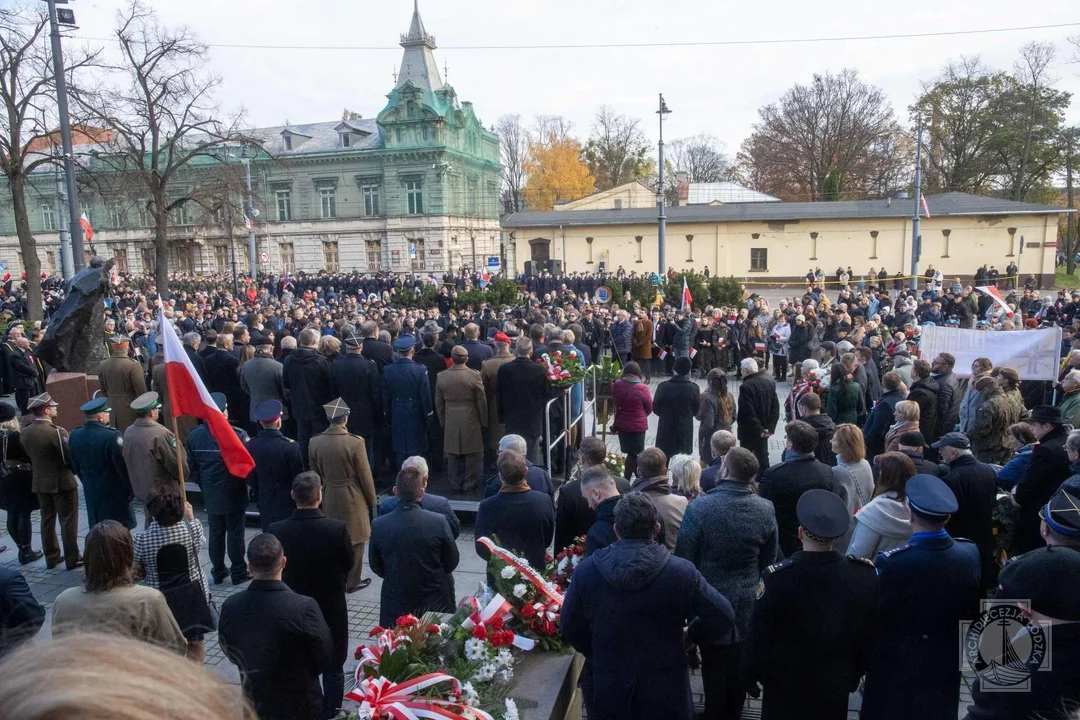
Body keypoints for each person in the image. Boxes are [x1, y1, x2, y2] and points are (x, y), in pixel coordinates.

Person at [561, 492, 736, 720]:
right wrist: (690, 636)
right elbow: (723, 615)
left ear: (617, 530)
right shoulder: (681, 571)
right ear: (656, 528)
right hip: (665, 688)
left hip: (611, 684)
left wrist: (598, 650)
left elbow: (570, 626)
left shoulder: (587, 571)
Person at [742, 490, 878, 720]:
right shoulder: (863, 574)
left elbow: (759, 634)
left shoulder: (777, 578)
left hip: (784, 687)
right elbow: (867, 635)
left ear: (800, 533)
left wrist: (748, 674)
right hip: (834, 684)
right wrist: (854, 674)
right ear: (836, 536)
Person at [861, 474, 982, 720]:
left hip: (896, 658)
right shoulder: (969, 552)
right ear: (947, 518)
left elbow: (875, 612)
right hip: (944, 658)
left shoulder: (894, 562)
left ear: (911, 515)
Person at [675, 447, 776, 719]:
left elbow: (685, 558)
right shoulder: (765, 508)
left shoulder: (700, 507)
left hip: (709, 602)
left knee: (714, 667)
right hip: (746, 604)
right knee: (737, 664)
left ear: (725, 471)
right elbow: (768, 560)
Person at [218, 533, 333, 720]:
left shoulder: (231, 606)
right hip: (301, 704)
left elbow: (229, 649)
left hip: (256, 701)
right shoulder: (304, 607)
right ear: (284, 562)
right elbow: (325, 656)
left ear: (249, 568)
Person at [268, 472, 354, 718]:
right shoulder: (336, 529)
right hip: (331, 607)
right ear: (320, 495)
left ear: (293, 495)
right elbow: (348, 563)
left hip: (292, 607)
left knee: (299, 664)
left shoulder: (277, 529)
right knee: (334, 665)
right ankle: (333, 712)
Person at [52, 520, 187, 654]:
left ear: (88, 558)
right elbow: (175, 649)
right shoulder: (148, 600)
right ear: (127, 556)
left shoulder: (64, 601)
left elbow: (60, 651)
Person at [369, 465, 459, 627]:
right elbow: (452, 560)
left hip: (396, 599)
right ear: (422, 492)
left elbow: (376, 565)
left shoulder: (379, 524)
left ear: (395, 491)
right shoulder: (438, 521)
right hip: (435, 598)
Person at [132, 485, 212, 662]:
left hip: (159, 598)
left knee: (163, 647)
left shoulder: (141, 540)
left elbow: (135, 565)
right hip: (192, 595)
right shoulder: (193, 529)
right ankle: (195, 676)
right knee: (195, 642)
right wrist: (191, 517)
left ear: (153, 513)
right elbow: (198, 547)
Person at [308, 398, 377, 593]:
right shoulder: (355, 442)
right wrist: (372, 501)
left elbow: (314, 474)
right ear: (345, 418)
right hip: (352, 495)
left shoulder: (315, 441)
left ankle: (335, 576)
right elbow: (365, 475)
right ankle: (352, 581)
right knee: (356, 540)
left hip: (328, 492)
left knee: (332, 537)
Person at [187, 392, 251, 586]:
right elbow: (245, 465)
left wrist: (204, 485)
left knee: (215, 533)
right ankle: (239, 570)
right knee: (235, 533)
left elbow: (192, 467)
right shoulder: (237, 434)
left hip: (210, 492)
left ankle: (218, 571)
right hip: (234, 492)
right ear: (223, 412)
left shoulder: (194, 436)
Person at [21, 393, 81, 570]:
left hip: (40, 481)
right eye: (53, 406)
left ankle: (51, 556)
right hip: (62, 481)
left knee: (47, 520)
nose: (56, 408)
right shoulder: (56, 431)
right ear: (46, 410)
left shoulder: (26, 432)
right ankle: (73, 557)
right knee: (68, 520)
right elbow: (67, 456)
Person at [759, 420, 835, 557]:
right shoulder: (827, 471)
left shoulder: (774, 475)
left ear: (790, 444)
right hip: (815, 539)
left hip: (784, 543)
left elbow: (764, 512)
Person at [474, 450, 554, 573]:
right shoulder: (543, 500)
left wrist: (500, 563)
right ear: (526, 471)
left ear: (500, 476)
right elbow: (547, 538)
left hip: (500, 573)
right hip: (535, 571)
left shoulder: (487, 506)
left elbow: (482, 546)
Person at [933, 432, 998, 582]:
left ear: (954, 453)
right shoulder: (988, 470)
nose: (940, 453)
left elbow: (949, 512)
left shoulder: (953, 478)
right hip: (985, 536)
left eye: (942, 449)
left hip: (961, 539)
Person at [69, 396, 136, 530]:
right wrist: (130, 489)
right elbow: (121, 466)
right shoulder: (111, 436)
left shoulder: (75, 435)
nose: (108, 415)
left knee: (98, 528)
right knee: (118, 528)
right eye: (106, 412)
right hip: (113, 490)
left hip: (91, 488)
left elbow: (74, 464)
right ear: (100, 417)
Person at [554, 437, 629, 554]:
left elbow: (562, 532)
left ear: (582, 459)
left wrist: (559, 559)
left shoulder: (568, 491)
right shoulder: (624, 484)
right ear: (604, 458)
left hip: (582, 553)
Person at [123, 391, 187, 528]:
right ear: (151, 413)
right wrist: (183, 476)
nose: (158, 411)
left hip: (144, 492)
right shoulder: (160, 434)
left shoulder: (129, 432)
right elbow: (177, 464)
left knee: (151, 524)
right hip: (164, 495)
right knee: (169, 527)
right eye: (157, 409)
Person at [1013, 406, 1071, 553]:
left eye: (1034, 425)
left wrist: (1016, 495)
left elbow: (1029, 484)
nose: (1031, 428)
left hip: (1038, 512)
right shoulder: (1065, 442)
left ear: (1047, 426)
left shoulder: (1046, 450)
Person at [245, 399, 303, 532]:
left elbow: (250, 475)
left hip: (264, 494)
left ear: (260, 422)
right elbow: (298, 477)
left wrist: (258, 488)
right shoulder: (291, 446)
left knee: (268, 532)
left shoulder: (251, 445)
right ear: (278, 421)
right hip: (287, 497)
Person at [436, 345, 487, 493]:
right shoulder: (474, 375)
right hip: (471, 416)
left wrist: (442, 420)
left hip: (451, 415)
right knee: (473, 452)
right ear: (467, 359)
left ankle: (455, 482)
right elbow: (481, 400)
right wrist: (484, 420)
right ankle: (470, 482)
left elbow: (439, 402)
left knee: (452, 452)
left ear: (452, 358)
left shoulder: (442, 376)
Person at [282, 328, 335, 465]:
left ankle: (306, 467)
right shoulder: (322, 361)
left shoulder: (289, 360)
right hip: (319, 408)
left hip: (299, 407)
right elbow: (330, 386)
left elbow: (286, 382)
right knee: (320, 441)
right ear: (315, 341)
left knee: (304, 442)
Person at [848, 452, 916, 559]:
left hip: (877, 573)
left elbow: (858, 554)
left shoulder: (874, 511)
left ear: (883, 475)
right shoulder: (918, 510)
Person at [382, 336, 434, 469]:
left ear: (398, 352)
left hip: (396, 409)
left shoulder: (388, 370)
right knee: (415, 447)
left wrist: (387, 414)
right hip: (415, 411)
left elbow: (386, 396)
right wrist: (429, 415)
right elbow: (425, 396)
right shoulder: (420, 370)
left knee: (400, 447)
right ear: (412, 351)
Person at [379, 455, 461, 538]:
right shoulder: (441, 505)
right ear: (425, 479)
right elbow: (454, 531)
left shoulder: (386, 506)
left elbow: (380, 537)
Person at [0, 403, 42, 565]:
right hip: (20, 478)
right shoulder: (15, 436)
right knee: (24, 514)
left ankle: (21, 547)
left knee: (12, 513)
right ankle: (26, 551)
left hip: (3, 479)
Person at [496, 337, 549, 463]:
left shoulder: (504, 369)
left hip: (512, 418)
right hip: (532, 420)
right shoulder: (540, 370)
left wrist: (501, 418)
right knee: (531, 457)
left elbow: (499, 395)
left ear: (515, 351)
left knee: (511, 456)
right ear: (531, 353)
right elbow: (545, 394)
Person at [331, 330, 382, 457]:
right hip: (365, 411)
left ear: (347, 347)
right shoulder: (369, 365)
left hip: (341, 410)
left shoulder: (336, 364)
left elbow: (332, 391)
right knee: (365, 447)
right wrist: (378, 413)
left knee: (344, 448)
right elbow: (375, 392)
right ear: (361, 347)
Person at [631, 447, 687, 551]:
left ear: (638, 471)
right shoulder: (682, 502)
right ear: (665, 471)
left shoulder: (627, 505)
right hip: (674, 562)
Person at [830, 423, 874, 553]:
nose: (831, 441)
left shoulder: (838, 472)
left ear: (844, 445)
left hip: (845, 533)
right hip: (864, 524)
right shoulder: (865, 464)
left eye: (835, 439)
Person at [736, 358, 780, 475]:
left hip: (750, 430)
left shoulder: (746, 386)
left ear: (746, 370)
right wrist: (770, 427)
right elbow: (775, 406)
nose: (740, 371)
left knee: (746, 458)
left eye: (741, 369)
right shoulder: (769, 380)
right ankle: (766, 479)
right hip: (765, 428)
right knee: (763, 455)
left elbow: (748, 412)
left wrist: (759, 430)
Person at [652, 356, 700, 460]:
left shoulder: (663, 386)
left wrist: (665, 414)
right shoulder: (693, 388)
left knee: (662, 460)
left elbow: (655, 407)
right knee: (682, 463)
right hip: (684, 430)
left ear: (674, 369)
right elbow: (696, 410)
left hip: (666, 428)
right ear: (688, 370)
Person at [611, 361, 652, 481]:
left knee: (632, 453)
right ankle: (629, 479)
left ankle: (636, 478)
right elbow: (649, 407)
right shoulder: (643, 387)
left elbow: (615, 400)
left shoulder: (617, 385)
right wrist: (642, 415)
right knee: (635, 453)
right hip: (638, 426)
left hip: (622, 425)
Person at [97, 336, 147, 434]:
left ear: (113, 348)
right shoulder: (133, 365)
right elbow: (141, 392)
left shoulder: (103, 364)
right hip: (130, 407)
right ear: (127, 348)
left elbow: (103, 389)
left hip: (111, 405)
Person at [481, 331, 515, 464]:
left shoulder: (488, 364)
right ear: (509, 344)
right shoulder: (514, 361)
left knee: (496, 436)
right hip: (513, 403)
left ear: (495, 346)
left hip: (494, 403)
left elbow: (483, 386)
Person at [969, 375, 1017, 465]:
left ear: (987, 388)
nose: (982, 394)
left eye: (981, 391)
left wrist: (967, 435)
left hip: (989, 450)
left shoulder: (988, 405)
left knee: (986, 476)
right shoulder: (1012, 400)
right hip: (1009, 446)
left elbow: (982, 429)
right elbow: (1023, 416)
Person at [863, 371, 905, 461]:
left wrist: (865, 442)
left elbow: (878, 429)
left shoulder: (885, 404)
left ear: (883, 384)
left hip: (878, 448)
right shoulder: (902, 399)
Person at [696, 369, 735, 465]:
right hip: (727, 434)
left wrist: (701, 434)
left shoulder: (709, 399)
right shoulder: (729, 396)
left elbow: (708, 423)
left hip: (712, 438)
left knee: (708, 463)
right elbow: (734, 416)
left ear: (710, 382)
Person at [797, 392, 836, 466]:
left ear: (804, 408)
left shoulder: (801, 429)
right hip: (830, 467)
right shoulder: (832, 425)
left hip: (809, 469)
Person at [908, 359, 940, 447]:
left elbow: (910, 413)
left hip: (920, 429)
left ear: (916, 373)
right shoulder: (927, 385)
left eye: (912, 369)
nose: (910, 371)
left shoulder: (919, 393)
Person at [996, 422, 1038, 490]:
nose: (1010, 442)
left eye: (1012, 439)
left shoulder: (1024, 457)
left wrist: (991, 467)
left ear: (1022, 438)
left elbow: (1001, 476)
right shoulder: (1032, 452)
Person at [825, 361, 865, 425]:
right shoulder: (857, 386)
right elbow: (861, 407)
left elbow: (831, 412)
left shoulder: (834, 390)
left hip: (839, 422)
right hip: (854, 420)